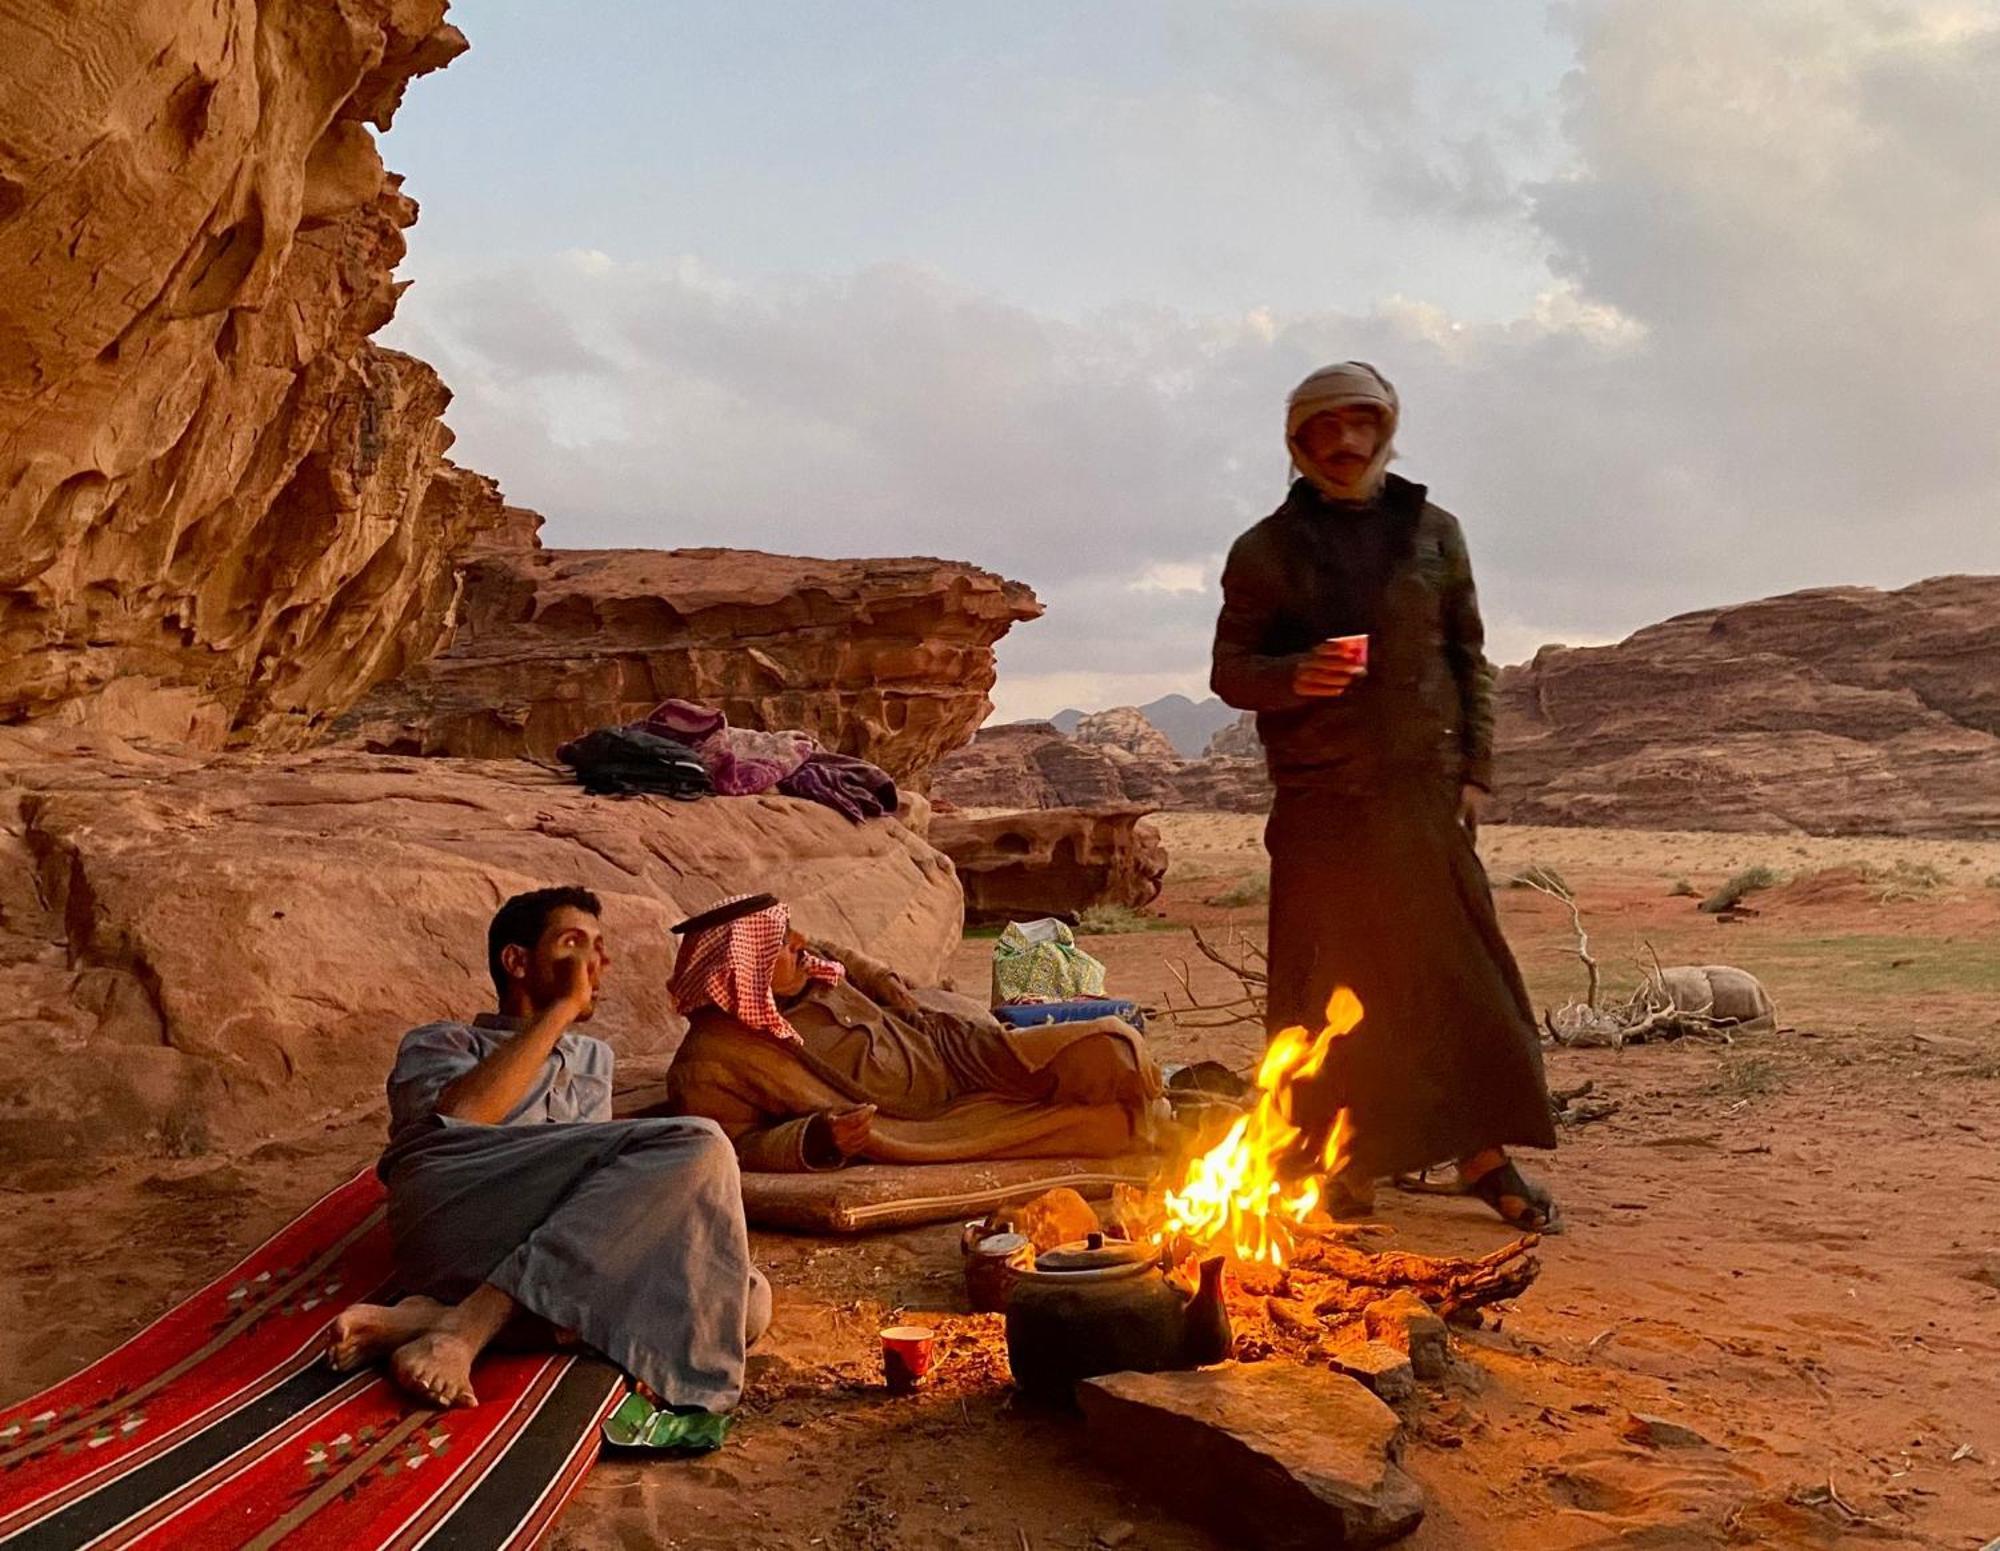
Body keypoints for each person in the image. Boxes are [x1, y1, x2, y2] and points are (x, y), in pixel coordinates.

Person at [1210, 361, 1559, 1230]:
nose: (1344, 444)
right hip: (1322, 805)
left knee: (1455, 980)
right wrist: (1298, 675)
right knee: (1326, 983)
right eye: (1322, 429)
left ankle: (1483, 1154)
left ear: (1387, 428)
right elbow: (1231, 672)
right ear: (1297, 441)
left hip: (1421, 797)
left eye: (1361, 423)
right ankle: (1341, 1156)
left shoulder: (1434, 533)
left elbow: (1467, 658)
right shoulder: (1263, 549)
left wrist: (1476, 771)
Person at [326, 887, 772, 1409]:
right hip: (460, 1217)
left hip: (540, 1240)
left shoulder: (593, 1059)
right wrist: (558, 1010)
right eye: (572, 943)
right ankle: (464, 1331)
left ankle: (432, 1319)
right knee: (698, 1142)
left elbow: (598, 1207)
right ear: (516, 961)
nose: (594, 961)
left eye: (599, 946)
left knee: (742, 1300)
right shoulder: (441, 1041)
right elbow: (461, 1120)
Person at [661, 894, 1162, 1170]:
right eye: (779, 940)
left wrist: (884, 982)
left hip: (947, 1048)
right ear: (738, 969)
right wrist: (818, 1137)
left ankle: (1150, 1101)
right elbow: (734, 1145)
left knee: (1113, 1047)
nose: (800, 942)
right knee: (1112, 1126)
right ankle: (1147, 1118)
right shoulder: (713, 1061)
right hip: (917, 1120)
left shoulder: (806, 968)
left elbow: (842, 954)